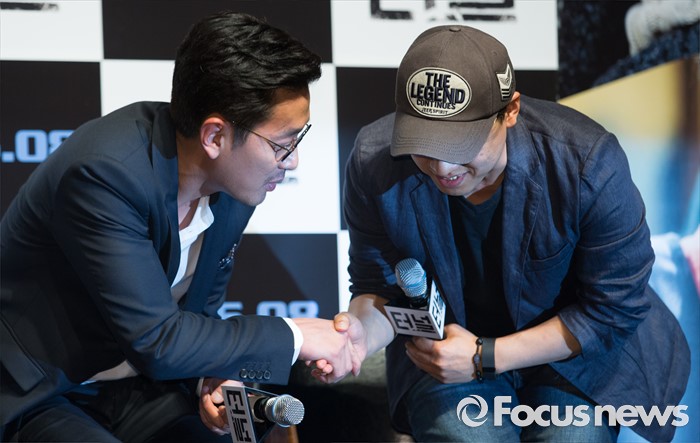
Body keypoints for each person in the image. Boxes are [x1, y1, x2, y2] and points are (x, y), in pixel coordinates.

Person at [0, 11, 360, 443]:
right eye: (283, 144)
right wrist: (296, 334)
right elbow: (156, 339)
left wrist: (213, 376)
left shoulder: (233, 184)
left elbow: (198, 315)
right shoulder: (105, 175)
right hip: (42, 391)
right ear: (214, 136)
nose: (293, 161)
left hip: (141, 387)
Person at [321, 25, 690, 442]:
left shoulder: (586, 161)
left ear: (510, 111)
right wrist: (360, 336)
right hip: (447, 353)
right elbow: (379, 286)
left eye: (461, 144)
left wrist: (485, 356)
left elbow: (613, 307)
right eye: (424, 144)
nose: (442, 168)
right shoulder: (375, 161)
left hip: (574, 355)